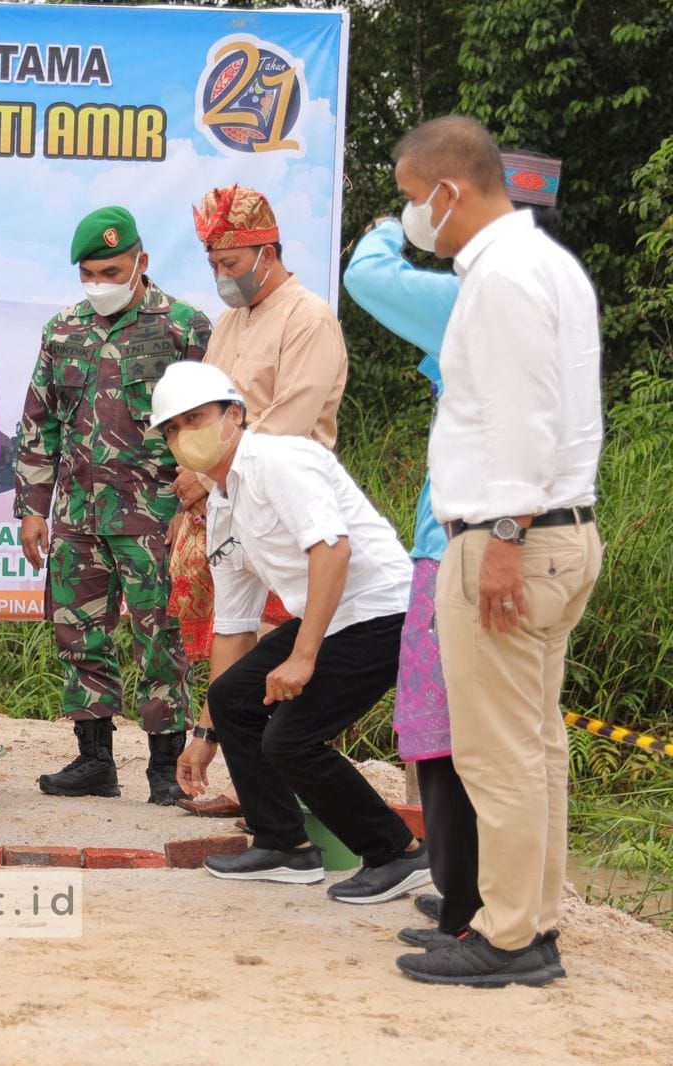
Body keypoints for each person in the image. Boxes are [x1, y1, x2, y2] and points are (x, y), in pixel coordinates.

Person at [391, 116, 601, 988]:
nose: (412, 219)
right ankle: (533, 923)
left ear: (450, 189)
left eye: (412, 200)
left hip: (515, 537)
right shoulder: (544, 265)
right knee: (535, 744)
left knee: (498, 751)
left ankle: (510, 939)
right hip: (559, 533)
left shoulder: (506, 277)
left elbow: (521, 418)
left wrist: (506, 536)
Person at [340, 150, 566, 952]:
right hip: (515, 539)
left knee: (463, 743)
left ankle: (479, 918)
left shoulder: (484, 296)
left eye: (423, 201)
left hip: (475, 544)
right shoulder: (553, 284)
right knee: (520, 745)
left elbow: (369, 278)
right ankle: (504, 913)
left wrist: (383, 228)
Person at [155, 362, 429, 903]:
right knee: (233, 696)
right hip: (332, 620)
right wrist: (207, 735)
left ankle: (398, 854)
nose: (185, 436)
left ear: (234, 415)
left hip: (383, 611)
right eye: (171, 429)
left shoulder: (278, 461)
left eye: (196, 418)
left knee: (292, 740)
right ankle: (284, 846)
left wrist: (303, 658)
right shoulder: (223, 504)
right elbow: (233, 629)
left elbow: (332, 549)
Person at [14, 207, 210, 805]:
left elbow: (216, 418)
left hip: (155, 515)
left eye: (111, 270)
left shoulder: (185, 327)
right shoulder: (63, 331)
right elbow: (39, 422)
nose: (100, 284)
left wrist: (200, 483)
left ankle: (164, 770)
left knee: (161, 637)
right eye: (90, 274)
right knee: (79, 634)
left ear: (141, 262)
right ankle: (95, 761)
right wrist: (33, 507)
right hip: (78, 515)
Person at [171, 184, 351, 820]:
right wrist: (193, 475)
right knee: (232, 632)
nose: (222, 276)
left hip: (290, 504)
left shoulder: (308, 317)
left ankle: (290, 795)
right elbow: (203, 411)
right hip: (228, 500)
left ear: (267, 252)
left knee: (284, 644)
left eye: (231, 264)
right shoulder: (228, 321)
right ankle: (253, 788)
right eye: (214, 265)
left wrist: (213, 465)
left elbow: (292, 417)